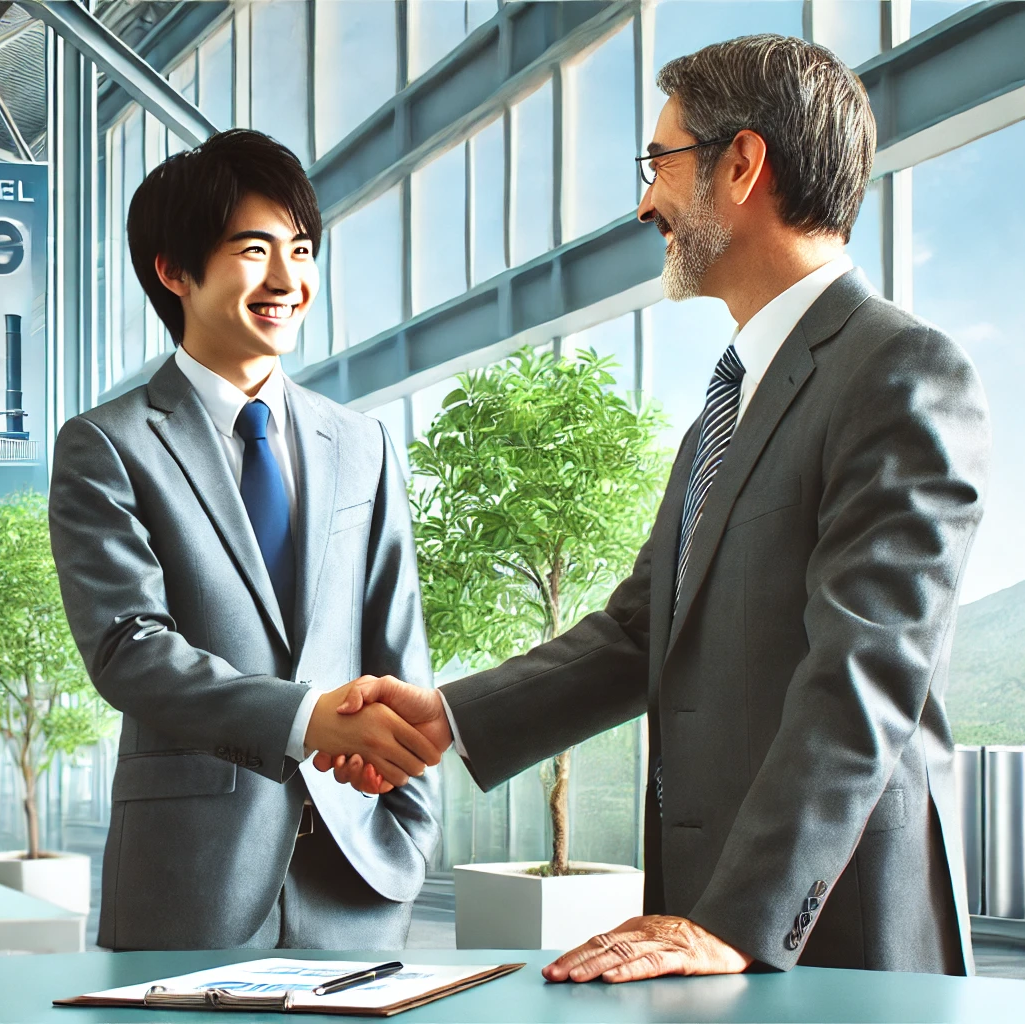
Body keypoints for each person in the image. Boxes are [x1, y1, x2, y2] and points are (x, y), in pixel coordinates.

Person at [319, 34, 988, 982]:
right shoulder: (730, 400)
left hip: (829, 934)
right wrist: (450, 719)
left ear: (744, 164)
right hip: (708, 924)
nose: (644, 202)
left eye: (660, 163)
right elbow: (643, 633)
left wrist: (740, 921)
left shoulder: (900, 371)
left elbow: (866, 673)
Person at [48, 128, 444, 951]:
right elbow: (129, 647)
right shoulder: (106, 444)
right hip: (192, 877)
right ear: (173, 270)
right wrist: (308, 718)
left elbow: (396, 641)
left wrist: (409, 812)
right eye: (254, 250)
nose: (288, 280)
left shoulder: (360, 441)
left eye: (301, 250)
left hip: (358, 869)